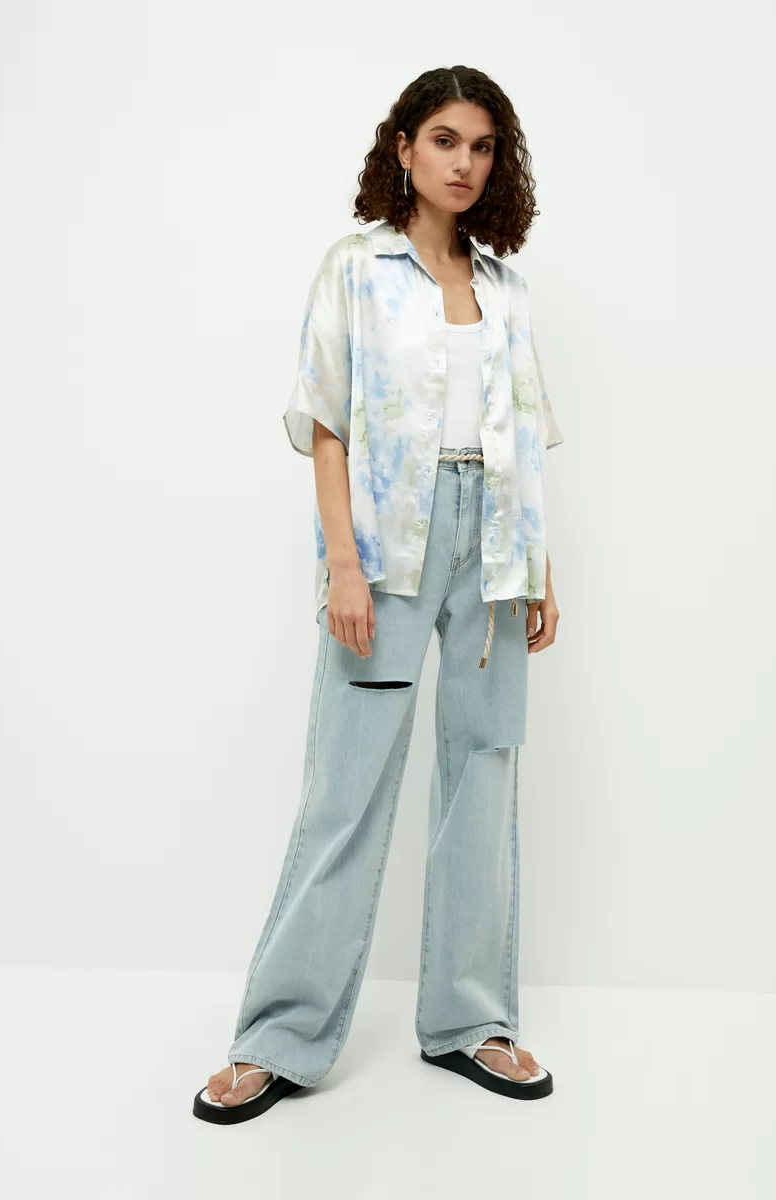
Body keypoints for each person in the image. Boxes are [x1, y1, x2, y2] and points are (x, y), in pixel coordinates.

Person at [193, 64, 564, 1125]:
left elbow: (522, 434)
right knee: (344, 791)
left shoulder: (505, 288)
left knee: (483, 780)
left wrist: (539, 564)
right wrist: (343, 563)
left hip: (496, 547)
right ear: (403, 147)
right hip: (389, 544)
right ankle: (277, 1037)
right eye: (445, 140)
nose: (464, 163)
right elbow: (326, 424)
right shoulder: (355, 269)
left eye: (482, 146)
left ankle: (470, 1021)